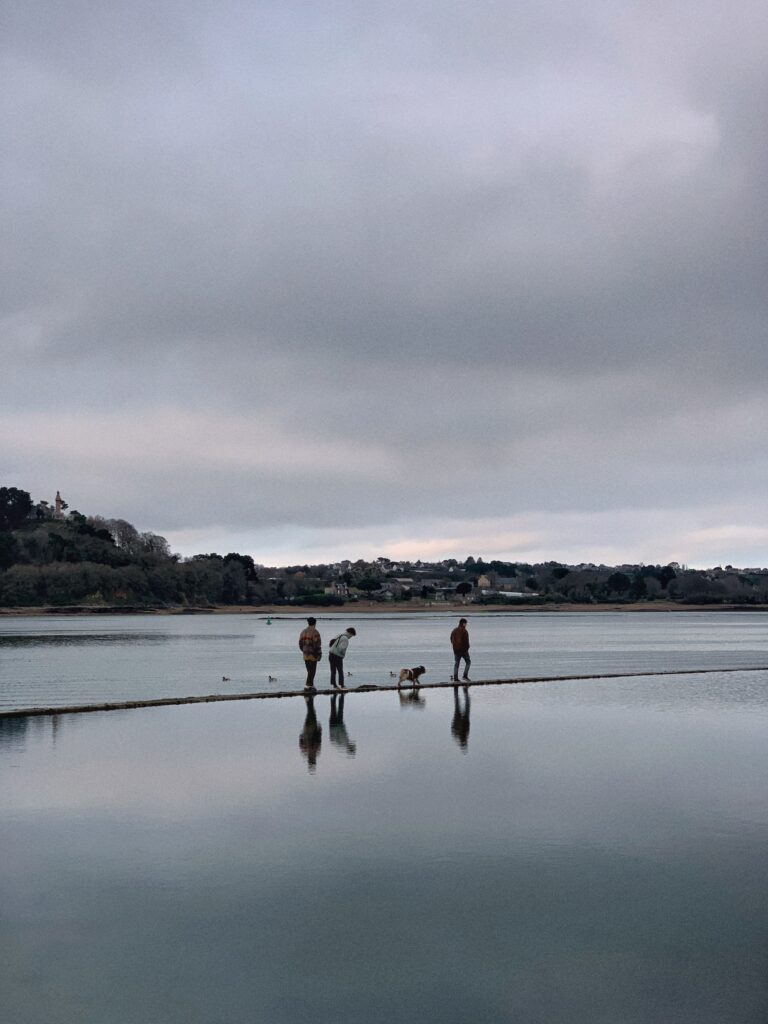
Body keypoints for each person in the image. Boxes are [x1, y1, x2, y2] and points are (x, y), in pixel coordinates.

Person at [299, 694, 322, 772]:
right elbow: (318, 740)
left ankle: (308, 699)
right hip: (309, 730)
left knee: (311, 713)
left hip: (308, 730)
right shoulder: (311, 751)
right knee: (311, 713)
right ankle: (308, 699)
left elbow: (318, 740)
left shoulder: (307, 751)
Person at [298, 616, 322, 690]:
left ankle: (310, 685)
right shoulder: (315, 632)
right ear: (315, 623)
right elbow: (317, 644)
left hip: (305, 654)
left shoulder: (303, 631)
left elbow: (300, 643)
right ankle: (308, 685)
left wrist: (303, 650)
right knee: (312, 671)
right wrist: (319, 653)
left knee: (309, 671)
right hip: (313, 654)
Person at [450, 617, 471, 681]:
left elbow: (451, 639)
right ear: (463, 624)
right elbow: (466, 642)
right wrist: (467, 648)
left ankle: (456, 678)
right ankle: (465, 676)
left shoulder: (454, 630)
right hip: (463, 650)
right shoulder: (464, 631)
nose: (466, 625)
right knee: (468, 662)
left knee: (457, 664)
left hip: (456, 650)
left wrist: (454, 646)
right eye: (465, 623)